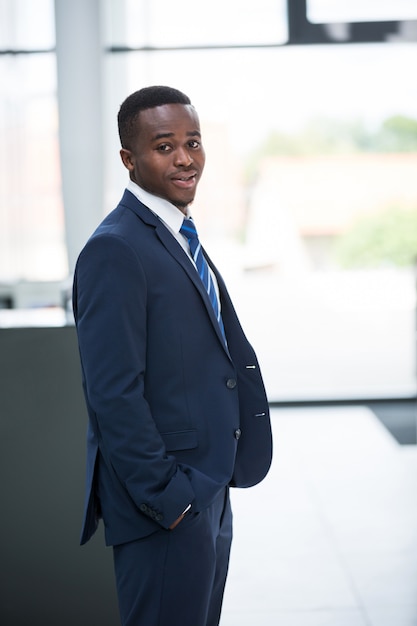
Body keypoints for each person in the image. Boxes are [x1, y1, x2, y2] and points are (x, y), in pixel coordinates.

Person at [72, 85, 272, 626]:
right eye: (164, 146)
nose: (185, 159)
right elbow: (112, 392)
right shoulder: (116, 247)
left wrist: (203, 493)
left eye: (193, 141)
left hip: (206, 487)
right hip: (166, 504)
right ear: (129, 159)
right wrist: (170, 498)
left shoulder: (177, 233)